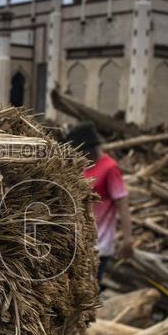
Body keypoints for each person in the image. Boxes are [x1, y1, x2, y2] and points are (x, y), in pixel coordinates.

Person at [65, 122, 133, 285]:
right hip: (77, 242)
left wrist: (128, 239)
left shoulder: (110, 168)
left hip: (99, 245)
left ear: (90, 148)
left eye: (81, 150)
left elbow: (122, 204)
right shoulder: (78, 167)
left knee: (88, 292)